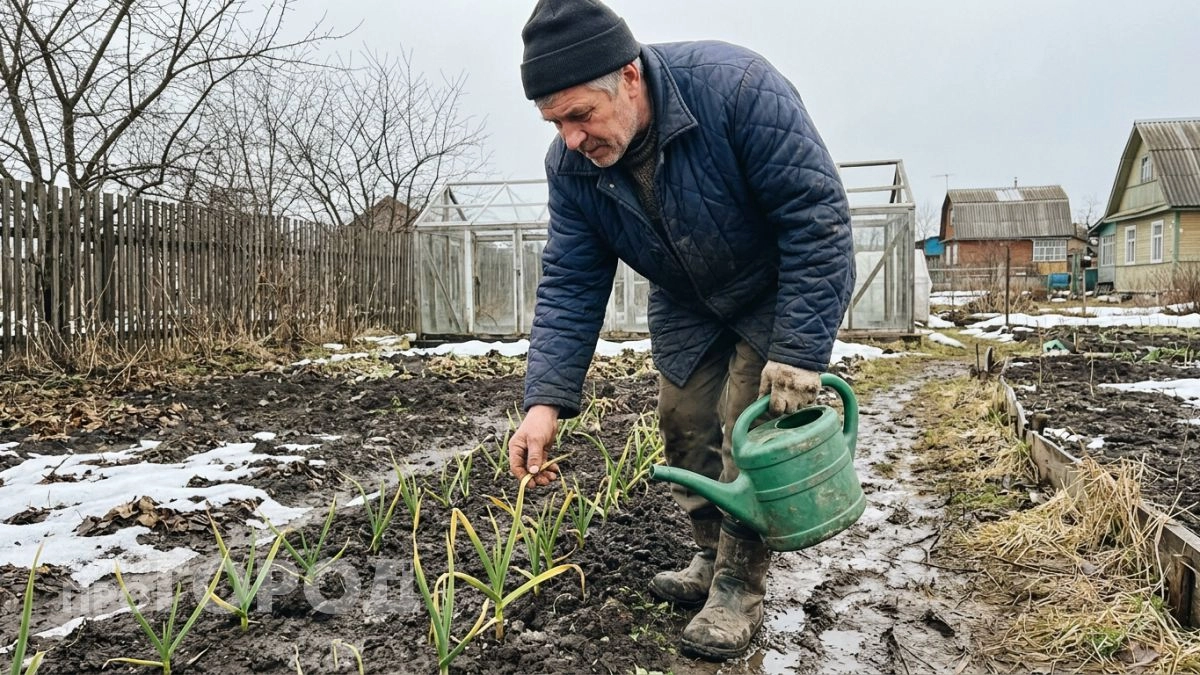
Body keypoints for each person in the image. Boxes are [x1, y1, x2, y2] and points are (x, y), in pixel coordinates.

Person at [508, 0, 856, 661]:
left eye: (581, 115)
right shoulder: (572, 168)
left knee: (743, 428)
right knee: (682, 421)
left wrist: (799, 352)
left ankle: (737, 584)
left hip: (775, 286)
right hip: (689, 298)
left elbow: (818, 220)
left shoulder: (738, 90)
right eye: (556, 123)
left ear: (630, 78)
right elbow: (572, 283)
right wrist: (543, 404)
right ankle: (706, 555)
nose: (572, 138)